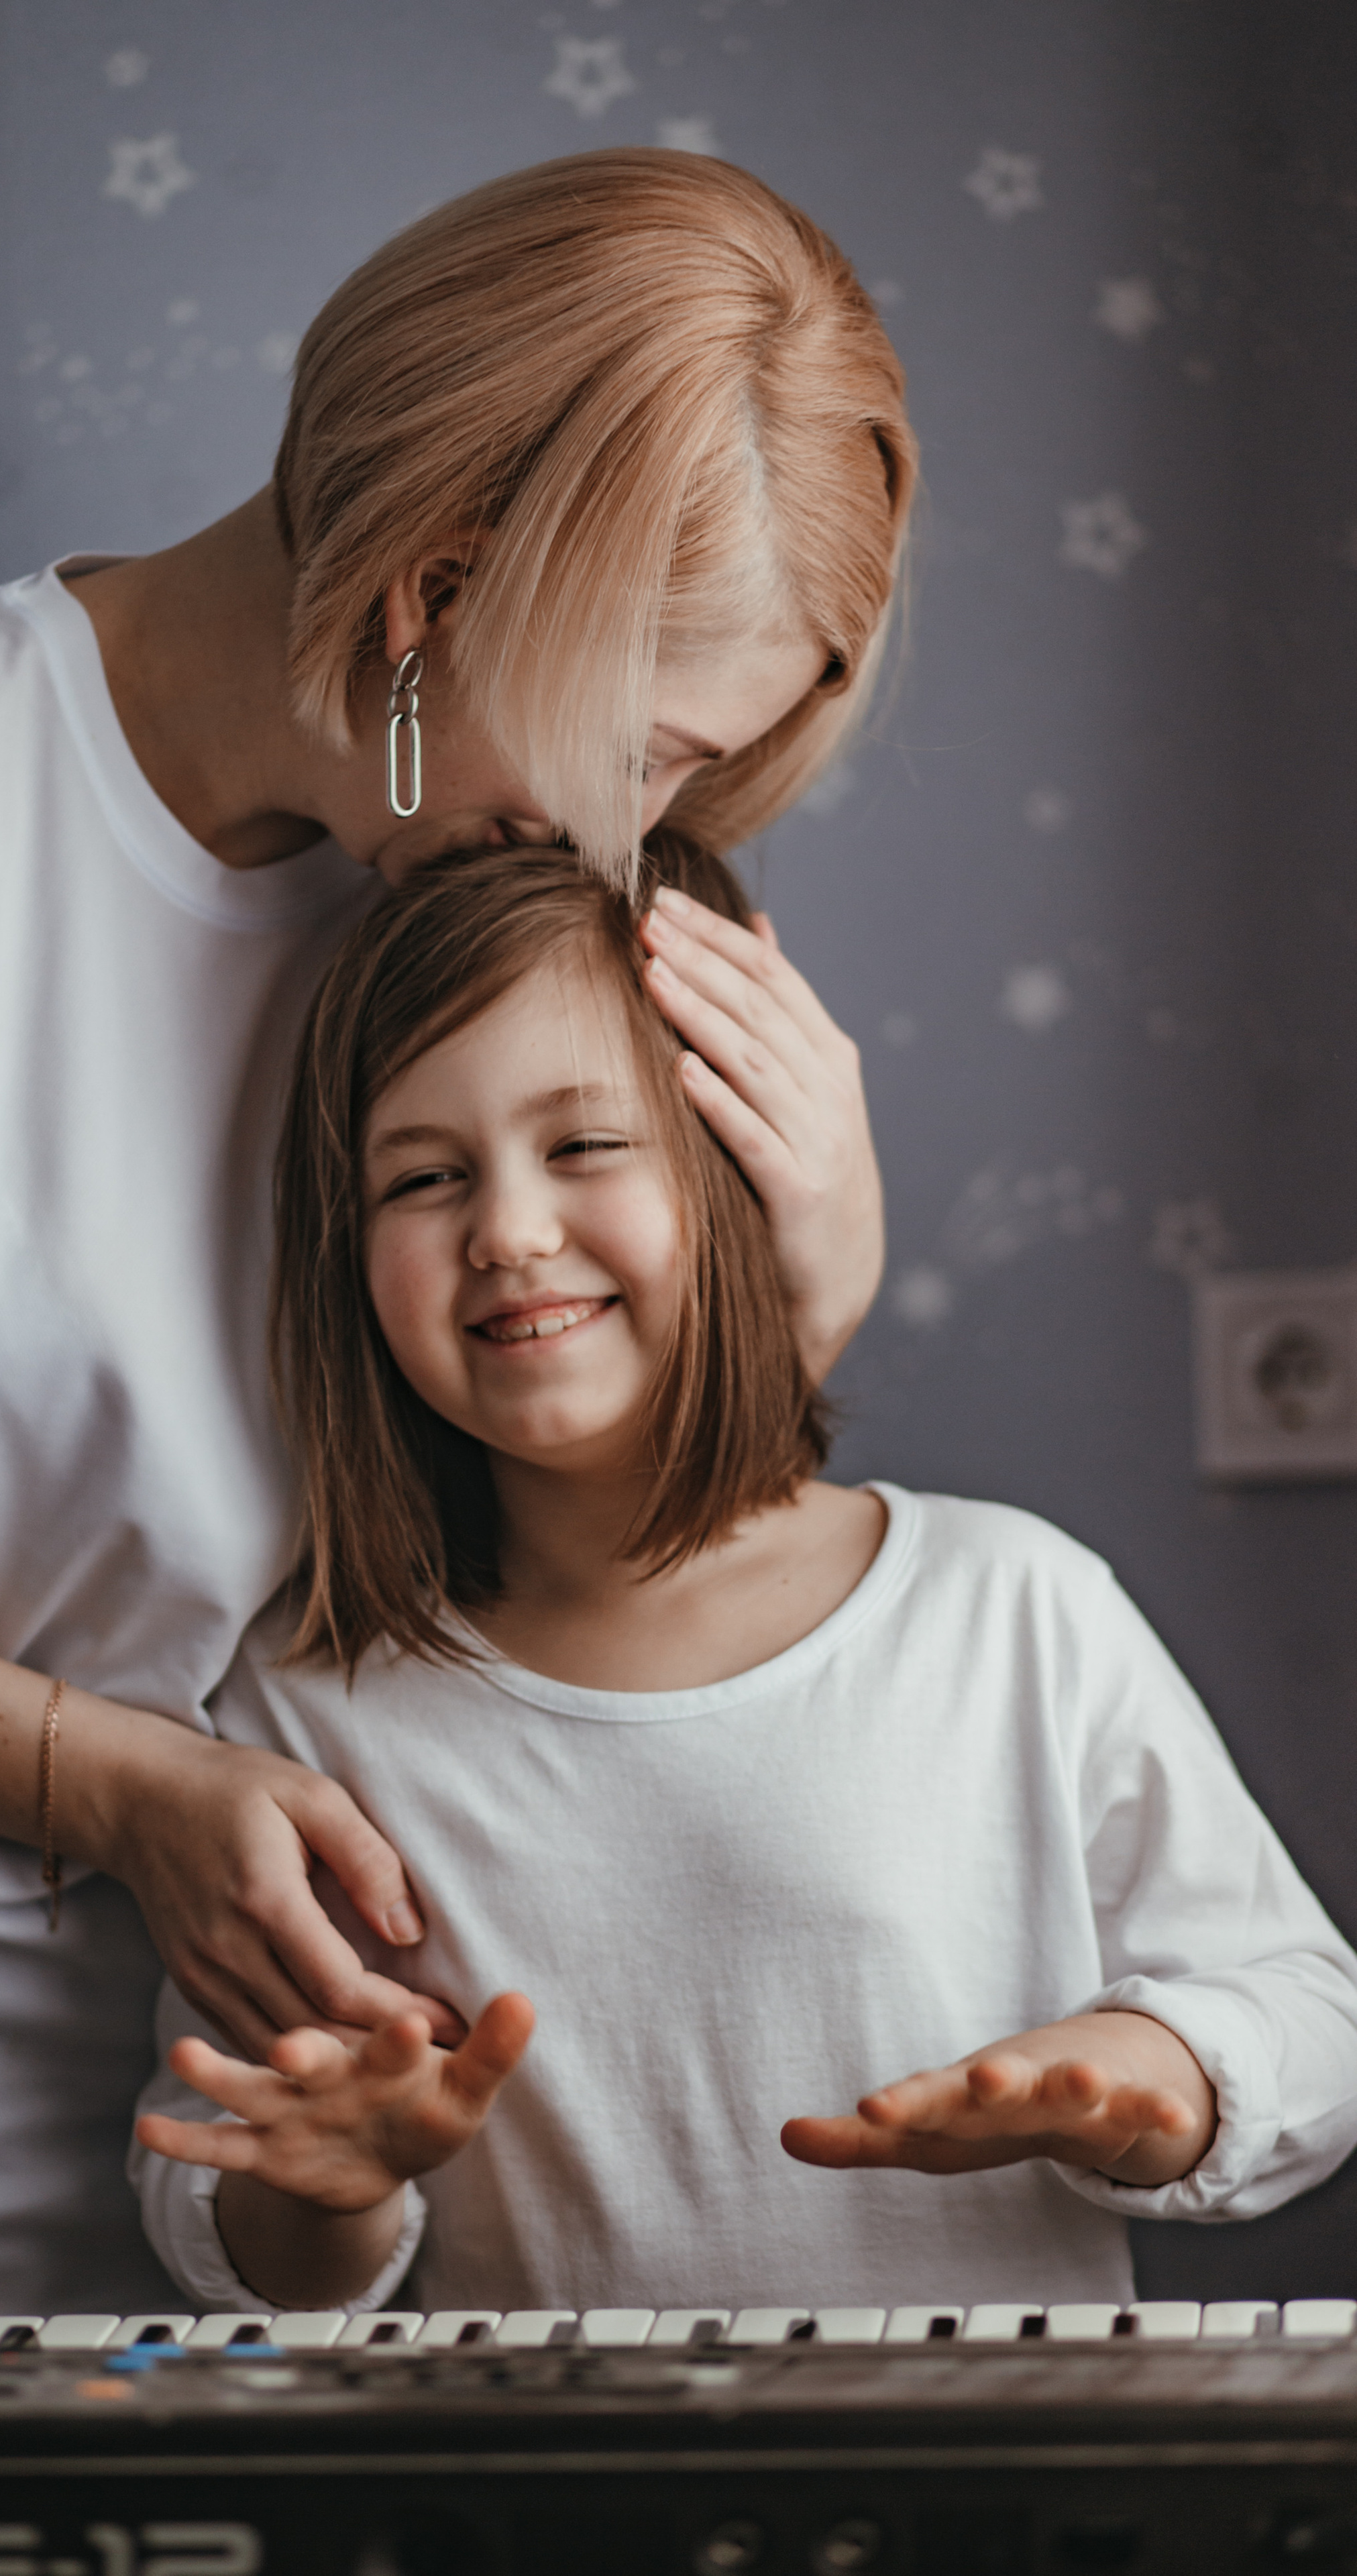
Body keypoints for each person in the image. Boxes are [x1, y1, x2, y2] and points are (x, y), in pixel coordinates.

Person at [0, 150, 914, 2312]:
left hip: (325, 2232)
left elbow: (549, 1553)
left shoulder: (447, 901)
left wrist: (806, 1296)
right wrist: (111, 1784)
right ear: (435, 585)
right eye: (632, 757)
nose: (631, 852)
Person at [131, 838, 1357, 2318]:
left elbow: (1310, 2020)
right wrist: (326, 2184)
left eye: (584, 1147)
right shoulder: (301, 1705)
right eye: (422, 1176)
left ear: (742, 1169)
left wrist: (1144, 2077)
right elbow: (230, 2201)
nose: (508, 1233)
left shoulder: (1006, 1608)